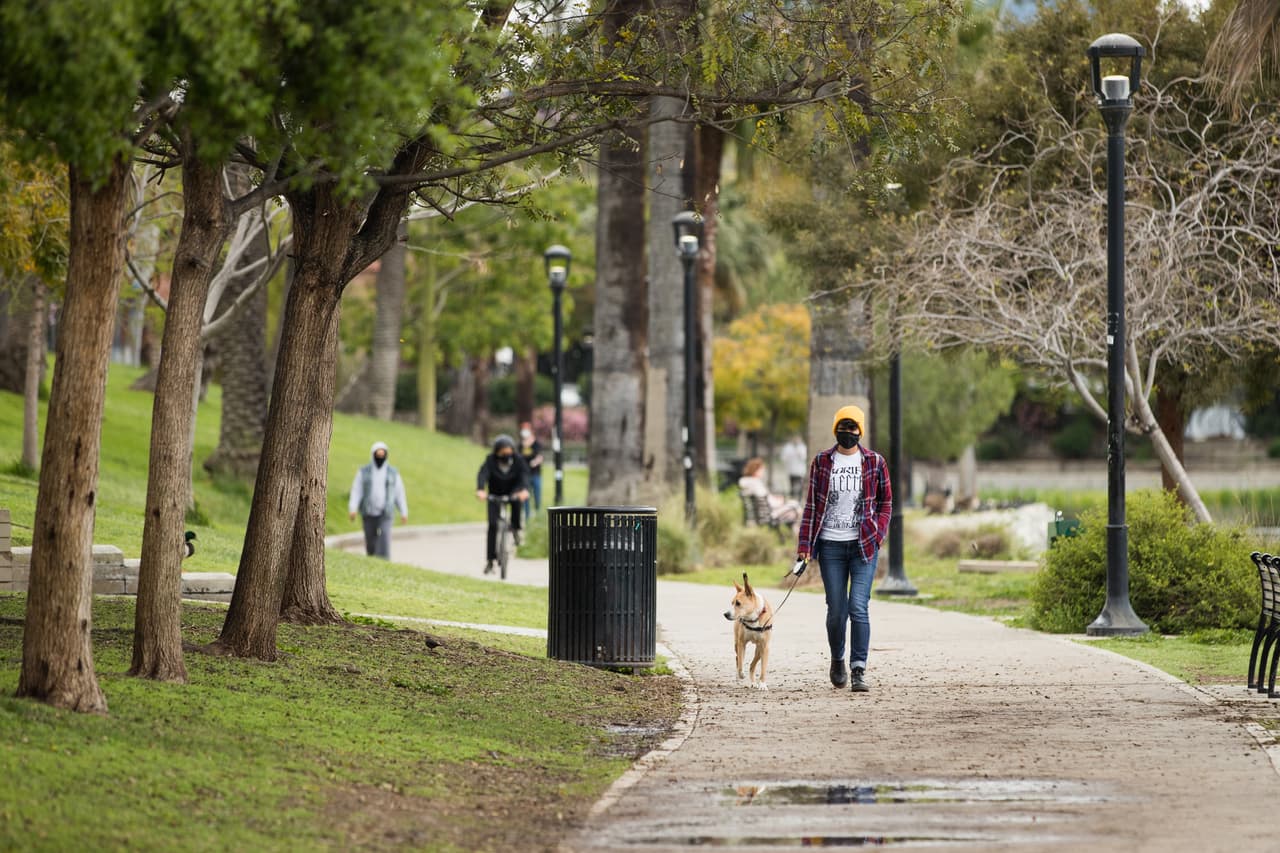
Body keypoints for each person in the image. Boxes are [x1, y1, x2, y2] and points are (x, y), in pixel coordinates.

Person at [792, 405, 892, 693]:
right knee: (837, 610)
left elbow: (886, 502)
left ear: (860, 431)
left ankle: (858, 668)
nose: (848, 434)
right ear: (835, 429)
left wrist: (879, 531)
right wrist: (804, 546)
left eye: (853, 429)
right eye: (843, 428)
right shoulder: (822, 462)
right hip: (830, 546)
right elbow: (811, 506)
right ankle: (838, 658)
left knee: (859, 607)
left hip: (863, 545)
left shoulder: (874, 461)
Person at [475, 434, 531, 575]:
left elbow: (524, 475)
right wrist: (481, 489)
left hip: (513, 492)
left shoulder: (518, 460)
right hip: (495, 494)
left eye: (508, 451)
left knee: (517, 502)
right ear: (496, 451)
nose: (506, 454)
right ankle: (490, 560)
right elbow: (483, 473)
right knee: (492, 525)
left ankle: (516, 529)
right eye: (502, 451)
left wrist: (524, 490)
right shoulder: (490, 460)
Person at [347, 441, 409, 559]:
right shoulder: (363, 472)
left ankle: (385, 561)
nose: (380, 457)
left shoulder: (393, 473)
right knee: (371, 542)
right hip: (368, 512)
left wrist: (403, 512)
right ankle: (372, 559)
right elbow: (357, 491)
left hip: (386, 513)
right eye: (378, 454)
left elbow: (399, 493)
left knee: (385, 536)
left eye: (382, 455)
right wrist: (353, 508)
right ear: (373, 454)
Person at [737, 457, 801, 527]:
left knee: (793, 509)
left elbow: (764, 499)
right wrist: (780, 501)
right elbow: (771, 503)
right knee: (795, 505)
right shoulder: (756, 483)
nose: (763, 472)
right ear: (756, 470)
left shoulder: (745, 482)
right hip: (767, 515)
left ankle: (795, 532)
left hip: (759, 514)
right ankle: (798, 534)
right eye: (762, 470)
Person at [518, 422, 544, 521]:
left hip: (535, 474)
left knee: (537, 497)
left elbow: (540, 457)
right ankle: (527, 517)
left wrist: (535, 462)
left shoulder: (536, 444)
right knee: (526, 496)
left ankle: (538, 516)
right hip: (525, 475)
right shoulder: (521, 445)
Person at [780, 434, 808, 500]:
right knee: (792, 485)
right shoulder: (788, 447)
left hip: (800, 471)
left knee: (800, 486)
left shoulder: (802, 447)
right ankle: (793, 498)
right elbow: (783, 458)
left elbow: (804, 457)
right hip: (791, 470)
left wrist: (799, 453)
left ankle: (799, 498)